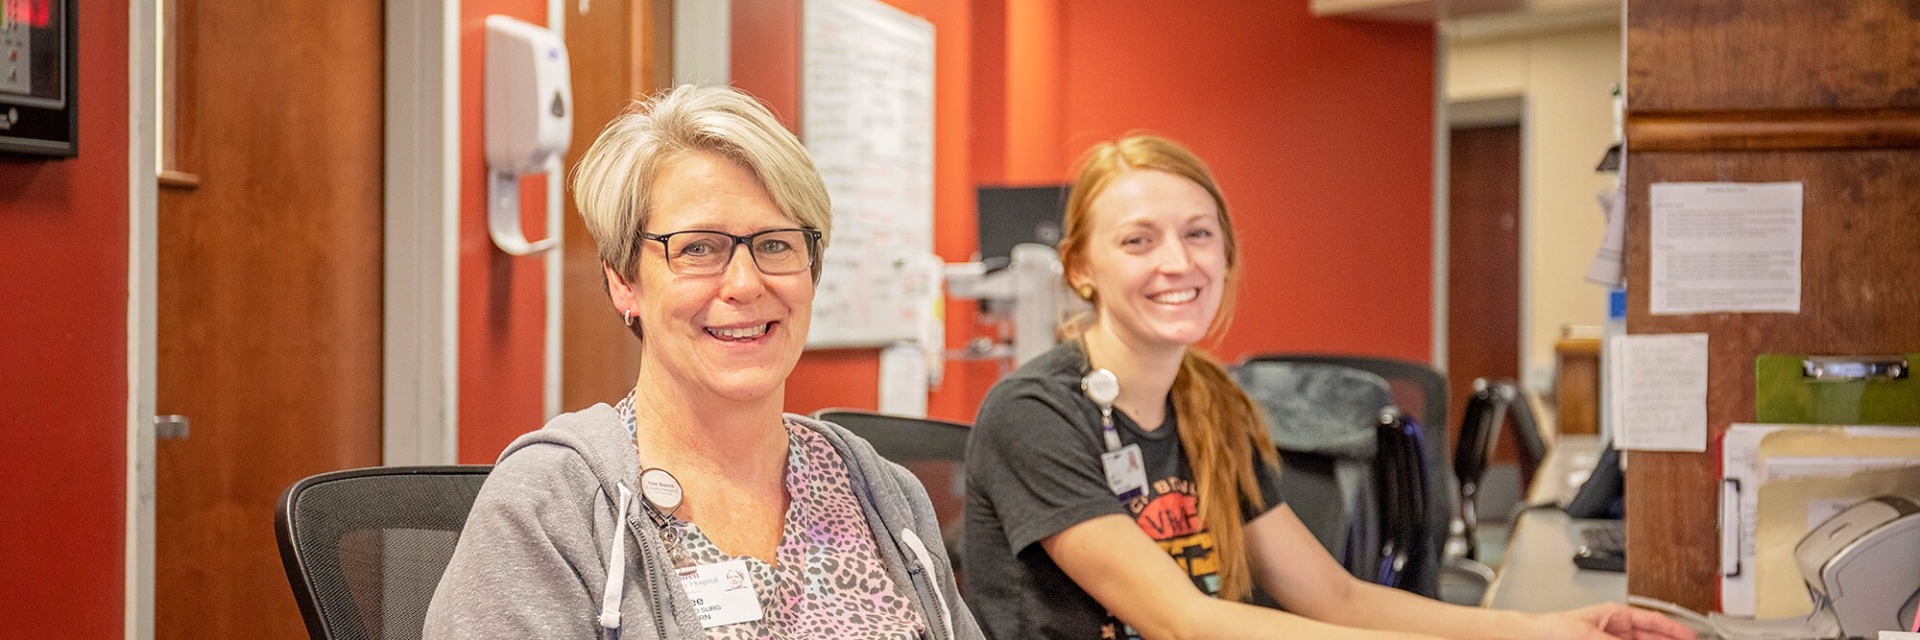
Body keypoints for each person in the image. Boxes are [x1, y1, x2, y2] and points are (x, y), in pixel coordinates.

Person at [960, 134, 1695, 640]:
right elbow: (1184, 620)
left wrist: (1542, 629)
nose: (1178, 263)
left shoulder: (1211, 404)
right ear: (1081, 269)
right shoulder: (1036, 412)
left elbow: (1333, 596)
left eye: (1199, 233)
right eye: (1137, 240)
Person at [425, 85, 979, 640]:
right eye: (698, 248)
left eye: (776, 244)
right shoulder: (551, 505)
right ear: (623, 281)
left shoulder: (880, 493)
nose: (744, 284)